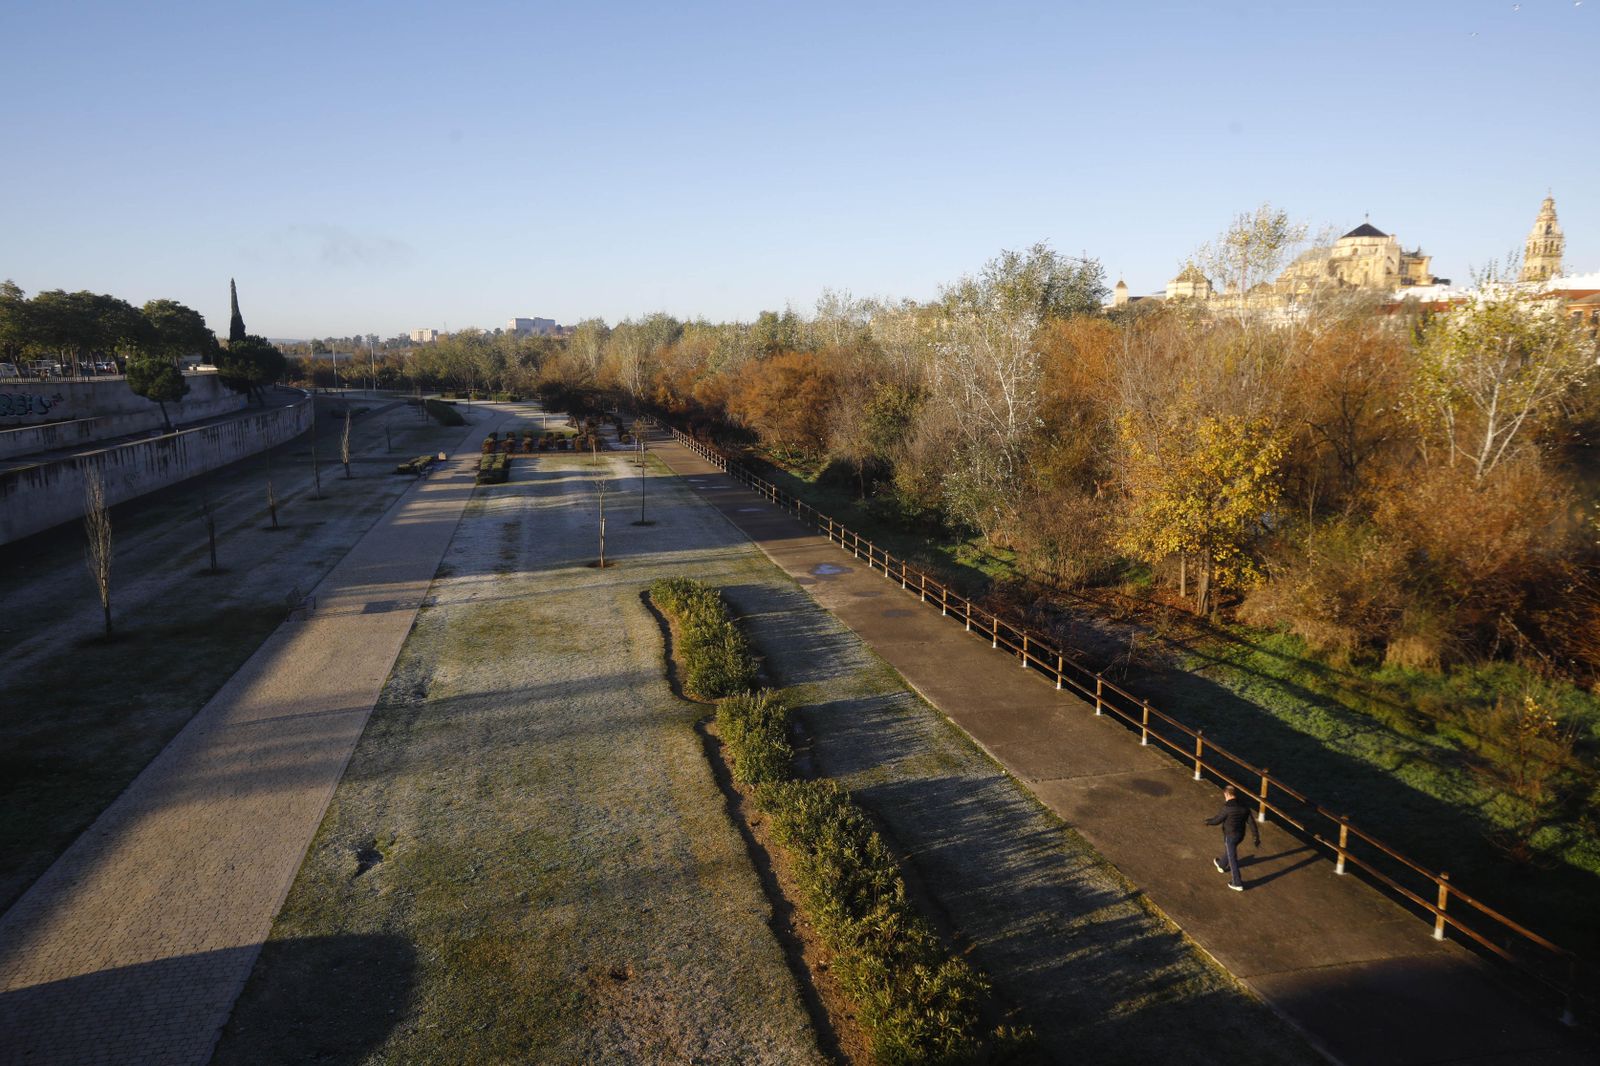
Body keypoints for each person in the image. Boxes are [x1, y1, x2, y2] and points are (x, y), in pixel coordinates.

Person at [1205, 784, 1260, 891]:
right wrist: (1256, 837)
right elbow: (1252, 823)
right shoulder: (1245, 806)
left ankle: (1237, 882)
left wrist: (1208, 822)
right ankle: (1221, 864)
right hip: (1240, 835)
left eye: (1224, 795)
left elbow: (1218, 820)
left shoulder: (1227, 808)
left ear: (1227, 794)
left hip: (1230, 835)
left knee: (1233, 858)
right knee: (1230, 850)